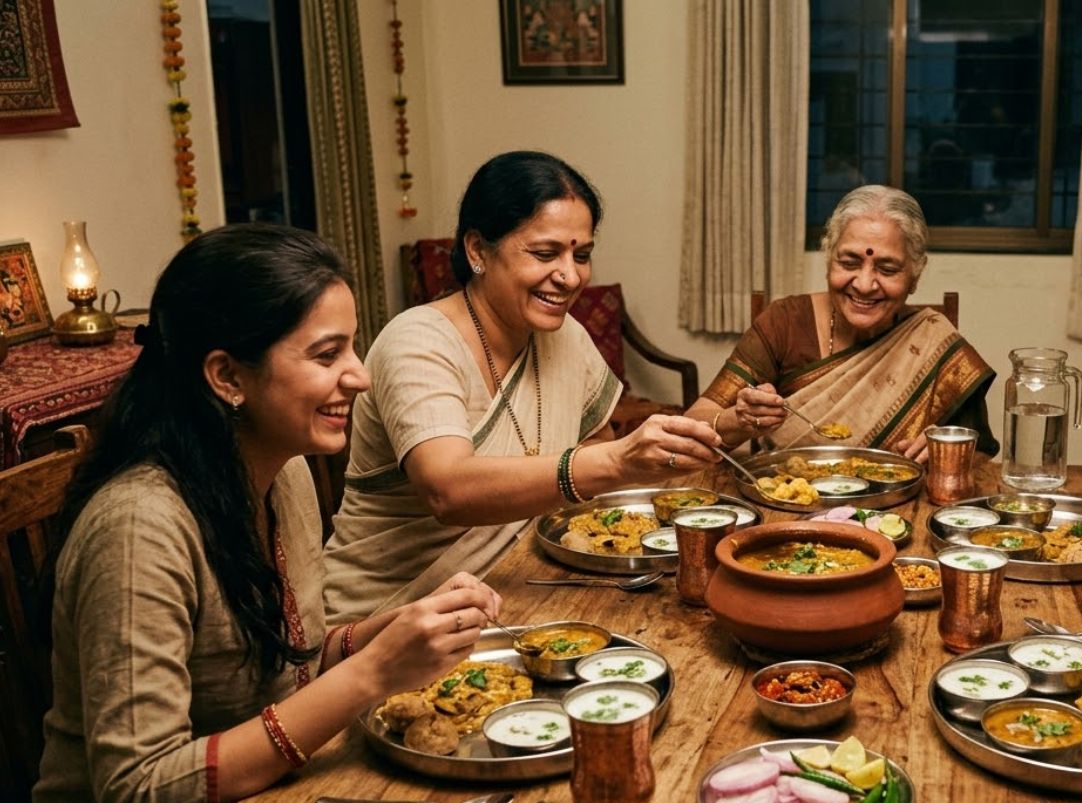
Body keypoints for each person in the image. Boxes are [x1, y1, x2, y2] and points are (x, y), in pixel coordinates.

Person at [30, 224, 502, 803]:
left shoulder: (285, 475)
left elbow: (291, 661)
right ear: (227, 376)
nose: (360, 376)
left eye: (353, 345)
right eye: (326, 353)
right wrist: (371, 673)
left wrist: (396, 632)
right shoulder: (139, 527)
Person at [324, 151, 720, 620]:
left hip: (521, 582)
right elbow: (447, 490)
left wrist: (712, 431)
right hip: (391, 619)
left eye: (583, 254)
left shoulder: (563, 334)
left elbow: (597, 443)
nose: (571, 276)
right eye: (545, 253)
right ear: (477, 251)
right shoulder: (417, 342)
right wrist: (617, 462)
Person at [687, 185, 997, 462]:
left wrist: (950, 451)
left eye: (887, 269)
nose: (864, 284)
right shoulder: (784, 323)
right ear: (828, 259)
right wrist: (738, 421)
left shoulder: (932, 341)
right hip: (789, 504)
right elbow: (693, 426)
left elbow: (980, 453)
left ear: (915, 275)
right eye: (848, 263)